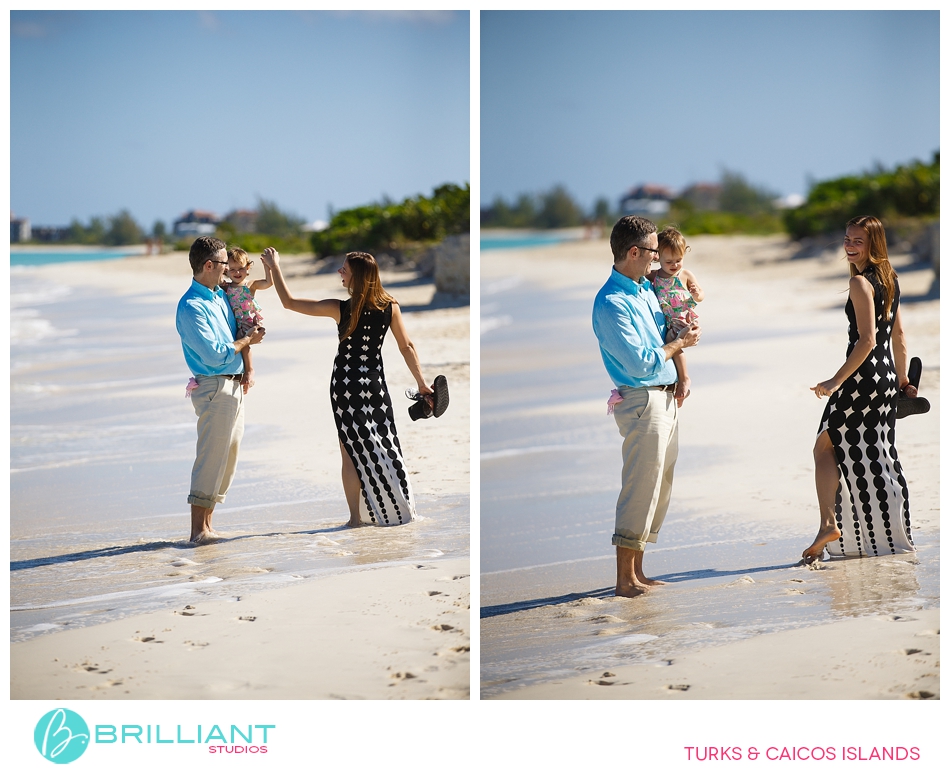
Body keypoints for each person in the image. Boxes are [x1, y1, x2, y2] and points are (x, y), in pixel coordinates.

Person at [260, 247, 434, 527]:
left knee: (350, 450)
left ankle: (356, 519)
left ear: (358, 277)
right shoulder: (390, 307)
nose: (340, 272)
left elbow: (289, 302)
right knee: (386, 442)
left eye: (344, 269)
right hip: (375, 385)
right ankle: (402, 510)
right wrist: (422, 383)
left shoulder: (341, 308)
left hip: (345, 386)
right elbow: (407, 346)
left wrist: (275, 267)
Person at [592, 215, 702, 597]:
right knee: (640, 486)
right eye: (654, 252)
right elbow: (641, 362)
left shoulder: (642, 290)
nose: (658, 260)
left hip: (665, 395)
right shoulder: (611, 301)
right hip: (641, 398)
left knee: (660, 485)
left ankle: (638, 572)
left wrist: (682, 333)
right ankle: (624, 580)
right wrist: (678, 345)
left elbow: (664, 335)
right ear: (634, 251)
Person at [804, 215, 916, 562]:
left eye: (857, 241)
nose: (849, 247)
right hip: (884, 380)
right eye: (847, 239)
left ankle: (828, 525)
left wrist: (836, 380)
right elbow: (897, 337)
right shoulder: (891, 279)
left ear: (873, 245)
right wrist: (902, 379)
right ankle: (891, 532)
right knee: (876, 454)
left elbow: (866, 340)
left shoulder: (861, 285)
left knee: (825, 447)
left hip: (861, 379)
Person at [176, 236, 265, 543]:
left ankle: (208, 525)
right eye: (226, 263)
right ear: (210, 265)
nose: (230, 268)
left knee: (228, 456)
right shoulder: (191, 305)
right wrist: (246, 341)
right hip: (214, 385)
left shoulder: (218, 296)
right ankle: (197, 531)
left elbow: (241, 318)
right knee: (211, 456)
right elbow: (215, 353)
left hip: (234, 382)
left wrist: (250, 333)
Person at [647, 225, 704, 406]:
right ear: (658, 257)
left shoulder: (685, 274)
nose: (674, 265)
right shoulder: (654, 276)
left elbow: (701, 296)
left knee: (674, 344)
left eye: (678, 260)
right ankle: (679, 383)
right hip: (667, 320)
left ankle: (684, 378)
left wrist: (695, 293)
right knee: (670, 347)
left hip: (683, 319)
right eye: (669, 262)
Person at [221, 247, 273, 390]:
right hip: (235, 322)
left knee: (242, 340)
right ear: (226, 270)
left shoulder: (250, 284)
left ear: (248, 267)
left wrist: (267, 267)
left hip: (248, 321)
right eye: (233, 270)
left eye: (241, 268)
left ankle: (250, 370)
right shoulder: (226, 287)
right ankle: (241, 373)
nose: (237, 273)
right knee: (235, 341)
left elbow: (269, 283)